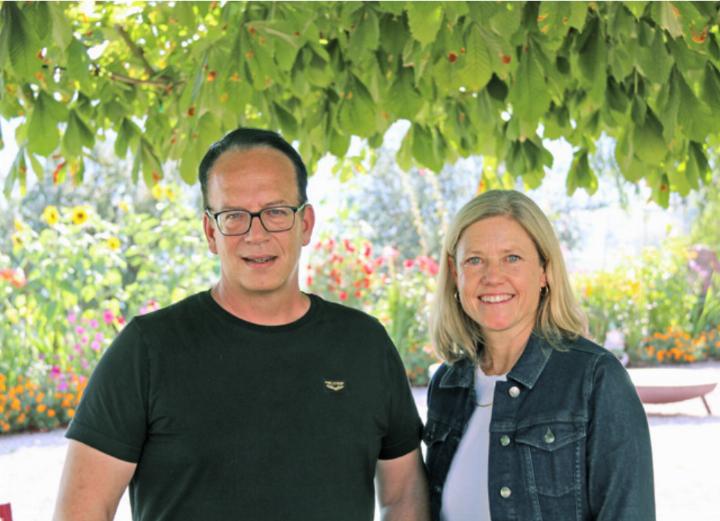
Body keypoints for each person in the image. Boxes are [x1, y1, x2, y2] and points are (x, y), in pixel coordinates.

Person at [53, 128, 429, 521]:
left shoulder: (364, 345)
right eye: (234, 216)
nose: (256, 234)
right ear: (210, 232)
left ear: (306, 224)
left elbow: (403, 497)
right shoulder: (147, 350)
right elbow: (82, 510)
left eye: (276, 212)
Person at [423, 190, 655, 521]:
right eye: (475, 260)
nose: (492, 277)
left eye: (512, 258)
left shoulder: (594, 379)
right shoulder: (447, 385)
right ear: (455, 272)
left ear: (544, 269)